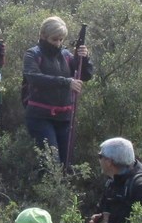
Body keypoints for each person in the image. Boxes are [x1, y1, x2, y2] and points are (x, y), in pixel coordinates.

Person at [22, 16, 92, 168]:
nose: (58, 43)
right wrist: (66, 82)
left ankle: (62, 191)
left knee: (66, 164)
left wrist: (84, 58)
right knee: (50, 164)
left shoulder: (66, 55)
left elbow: (85, 75)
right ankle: (46, 191)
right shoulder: (32, 54)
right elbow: (34, 78)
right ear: (43, 36)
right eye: (54, 39)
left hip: (65, 118)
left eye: (61, 40)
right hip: (39, 117)